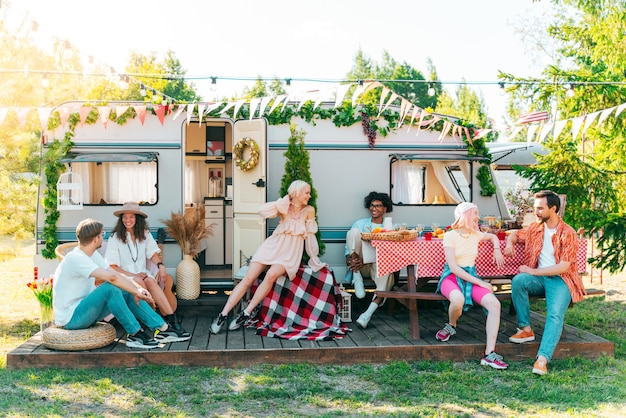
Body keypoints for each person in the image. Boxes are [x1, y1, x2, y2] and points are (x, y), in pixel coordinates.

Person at [210, 180, 327, 334]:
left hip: (289, 253)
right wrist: (285, 200)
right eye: (306, 192)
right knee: (248, 278)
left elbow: (310, 237)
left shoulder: (309, 210)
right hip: (272, 247)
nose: (309, 196)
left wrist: (313, 258)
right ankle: (222, 315)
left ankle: (245, 314)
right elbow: (262, 211)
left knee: (271, 275)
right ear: (296, 193)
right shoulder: (284, 206)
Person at [52, 218, 175, 349]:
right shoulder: (76, 259)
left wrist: (137, 288)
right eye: (102, 235)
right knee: (110, 288)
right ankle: (135, 333)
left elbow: (115, 274)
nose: (102, 238)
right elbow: (111, 278)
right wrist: (136, 291)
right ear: (95, 239)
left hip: (84, 311)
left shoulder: (92, 254)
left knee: (124, 289)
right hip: (71, 319)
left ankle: (163, 327)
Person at [505, 190, 586, 375]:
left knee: (554, 315)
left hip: (560, 279)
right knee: (518, 281)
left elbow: (564, 267)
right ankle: (526, 329)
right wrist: (510, 242)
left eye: (540, 208)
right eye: (535, 208)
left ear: (553, 208)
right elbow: (516, 234)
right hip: (539, 279)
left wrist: (533, 271)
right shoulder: (536, 228)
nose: (536, 212)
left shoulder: (568, 233)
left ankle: (542, 359)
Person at [434, 202, 508, 369]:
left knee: (494, 304)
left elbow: (493, 236)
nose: (478, 217)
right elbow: (453, 267)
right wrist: (482, 282)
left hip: (470, 277)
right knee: (458, 299)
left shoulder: (476, 234)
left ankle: (489, 354)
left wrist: (497, 248)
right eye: (475, 213)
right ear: (465, 215)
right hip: (452, 277)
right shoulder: (450, 236)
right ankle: (451, 325)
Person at [104, 202, 190, 342]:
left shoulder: (144, 234)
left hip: (143, 275)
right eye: (125, 217)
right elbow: (112, 266)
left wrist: (161, 265)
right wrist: (133, 275)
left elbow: (152, 253)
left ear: (138, 218)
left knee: (150, 280)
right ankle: (157, 324)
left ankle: (172, 321)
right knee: (140, 281)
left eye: (131, 217)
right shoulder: (115, 237)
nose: (127, 220)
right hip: (125, 277)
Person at [345, 191, 395, 328]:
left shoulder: (391, 228)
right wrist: (354, 261)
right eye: (372, 205)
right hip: (359, 266)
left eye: (378, 206)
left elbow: (392, 254)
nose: (374, 208)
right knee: (354, 232)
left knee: (388, 273)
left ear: (385, 208)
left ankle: (367, 314)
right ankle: (356, 277)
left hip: (378, 265)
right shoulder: (359, 224)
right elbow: (347, 251)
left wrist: (368, 260)